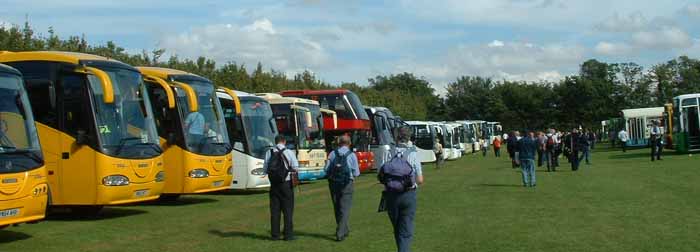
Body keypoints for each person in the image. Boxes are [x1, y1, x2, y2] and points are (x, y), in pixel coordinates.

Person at [379, 126, 423, 252]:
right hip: (408, 195)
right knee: (406, 230)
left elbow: (381, 175)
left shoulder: (388, 152)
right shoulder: (413, 153)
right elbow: (420, 179)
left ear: (396, 137)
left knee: (398, 229)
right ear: (409, 137)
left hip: (391, 196)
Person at [324, 135, 360, 241]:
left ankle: (344, 229)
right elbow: (356, 173)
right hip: (347, 183)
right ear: (349, 143)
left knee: (337, 206)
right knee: (345, 208)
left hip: (334, 182)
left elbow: (326, 169)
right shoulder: (352, 155)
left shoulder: (332, 153)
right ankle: (340, 232)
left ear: (339, 143)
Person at [263, 135, 299, 241]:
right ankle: (288, 235)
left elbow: (265, 169)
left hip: (274, 185)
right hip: (286, 184)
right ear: (284, 141)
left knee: (275, 211)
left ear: (275, 141)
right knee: (288, 210)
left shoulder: (269, 152)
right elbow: (296, 168)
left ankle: (275, 235)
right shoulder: (289, 152)